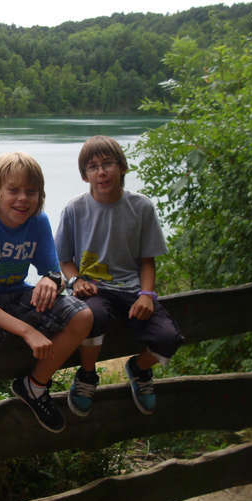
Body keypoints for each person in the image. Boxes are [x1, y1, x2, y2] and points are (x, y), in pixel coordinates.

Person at [0, 151, 94, 447]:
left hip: (14, 293)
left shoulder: (37, 222)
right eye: (13, 190)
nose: (23, 199)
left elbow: (53, 272)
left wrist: (51, 280)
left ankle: (34, 386)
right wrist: (27, 331)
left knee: (82, 316)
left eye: (31, 191)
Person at [55, 135, 184, 417]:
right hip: (93, 289)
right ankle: (87, 376)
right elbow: (64, 260)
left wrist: (147, 295)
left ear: (122, 167)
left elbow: (147, 261)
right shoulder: (74, 210)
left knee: (168, 338)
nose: (101, 172)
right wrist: (76, 281)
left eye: (107, 164)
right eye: (92, 167)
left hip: (132, 291)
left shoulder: (141, 207)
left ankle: (139, 368)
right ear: (85, 175)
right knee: (92, 317)